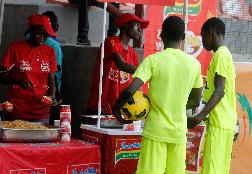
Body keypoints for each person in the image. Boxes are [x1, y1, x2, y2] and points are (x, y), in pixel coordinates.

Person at [113, 16, 203, 174]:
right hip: (178, 133)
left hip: (156, 131)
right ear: (183, 37)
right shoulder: (194, 65)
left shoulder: (153, 60)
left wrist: (117, 110)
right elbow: (195, 100)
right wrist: (176, 103)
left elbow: (130, 90)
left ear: (161, 36)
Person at [189, 17, 237, 174]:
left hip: (219, 122)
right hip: (225, 122)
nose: (202, 41)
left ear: (210, 32)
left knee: (212, 170)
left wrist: (200, 116)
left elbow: (220, 91)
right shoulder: (224, 54)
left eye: (202, 36)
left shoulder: (221, 55)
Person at [0, 14, 58, 124]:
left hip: (41, 112)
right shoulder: (15, 48)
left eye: (45, 35)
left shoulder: (50, 51)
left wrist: (52, 96)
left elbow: (51, 79)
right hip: (17, 111)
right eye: (39, 34)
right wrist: (18, 81)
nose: (42, 38)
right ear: (31, 30)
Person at [87, 13, 149, 115]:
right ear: (125, 25)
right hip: (100, 107)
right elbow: (121, 64)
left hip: (120, 110)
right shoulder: (110, 42)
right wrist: (145, 71)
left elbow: (135, 83)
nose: (140, 30)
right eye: (136, 25)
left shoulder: (133, 54)